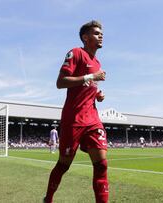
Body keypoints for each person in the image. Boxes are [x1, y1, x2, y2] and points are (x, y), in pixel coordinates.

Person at [44, 20, 108, 203]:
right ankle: (48, 199)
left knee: (101, 165)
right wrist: (91, 76)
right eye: (96, 33)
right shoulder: (76, 53)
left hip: (93, 119)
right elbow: (60, 82)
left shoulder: (97, 62)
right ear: (85, 37)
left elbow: (87, 87)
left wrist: (97, 95)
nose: (101, 35)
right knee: (64, 165)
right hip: (74, 119)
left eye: (101, 33)